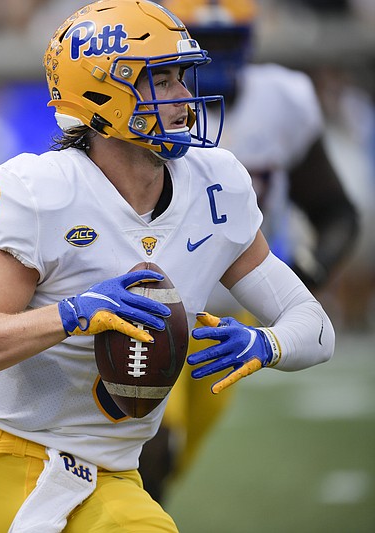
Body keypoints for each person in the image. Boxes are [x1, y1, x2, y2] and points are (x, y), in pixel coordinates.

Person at [0, 0, 335, 531]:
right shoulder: (47, 194)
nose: (186, 98)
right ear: (103, 92)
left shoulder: (215, 186)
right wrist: (74, 314)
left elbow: (312, 325)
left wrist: (266, 344)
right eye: (163, 80)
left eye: (183, 78)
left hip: (110, 477)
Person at [137, 0, 360, 504]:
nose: (213, 61)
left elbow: (334, 211)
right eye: (201, 46)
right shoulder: (142, 104)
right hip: (152, 301)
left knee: (166, 467)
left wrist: (305, 275)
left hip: (228, 315)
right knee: (145, 448)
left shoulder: (282, 100)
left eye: (227, 43)